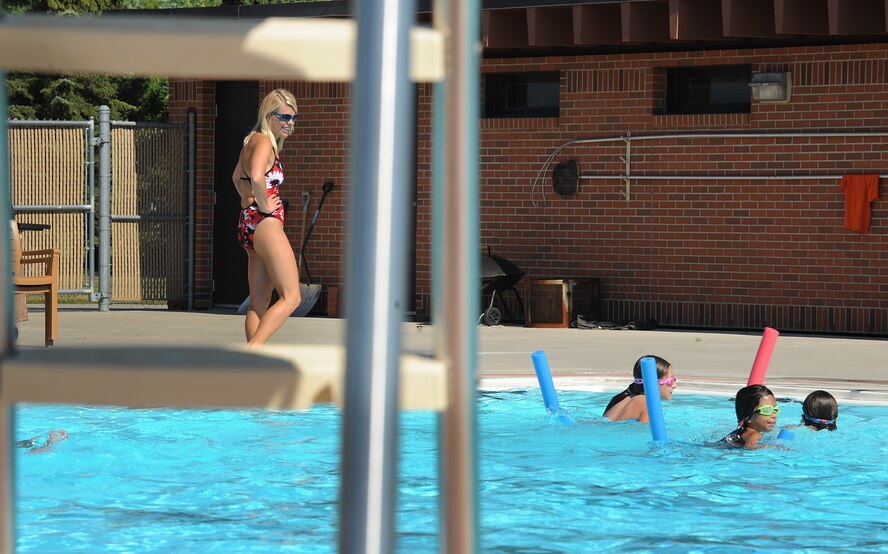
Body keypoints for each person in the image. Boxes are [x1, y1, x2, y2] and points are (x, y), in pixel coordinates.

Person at [231, 89, 302, 346]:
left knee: (258, 302)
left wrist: (245, 198)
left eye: (293, 118)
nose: (289, 123)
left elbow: (236, 177)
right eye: (284, 117)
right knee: (292, 297)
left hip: (249, 225)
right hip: (265, 225)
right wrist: (264, 205)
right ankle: (253, 351)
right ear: (268, 115)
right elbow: (258, 176)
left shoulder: (251, 140)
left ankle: (253, 366)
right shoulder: (263, 141)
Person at [602, 355, 677, 422]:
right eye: (671, 380)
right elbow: (646, 435)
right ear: (653, 383)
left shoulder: (622, 398)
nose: (674, 385)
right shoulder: (648, 405)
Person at [721, 384, 779, 449]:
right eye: (767, 410)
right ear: (748, 417)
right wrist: (772, 447)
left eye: (775, 409)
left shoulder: (741, 431)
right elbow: (750, 447)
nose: (774, 415)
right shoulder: (755, 435)